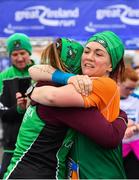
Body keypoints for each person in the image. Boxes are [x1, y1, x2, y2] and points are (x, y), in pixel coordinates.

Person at [4, 36, 127, 179]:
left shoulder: (48, 85)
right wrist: (122, 116)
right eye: (86, 52)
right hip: (38, 173)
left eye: (98, 54)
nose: (88, 58)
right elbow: (110, 137)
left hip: (24, 170)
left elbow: (36, 71)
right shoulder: (65, 99)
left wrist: (33, 90)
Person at [0, 33, 34, 177]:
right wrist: (19, 109)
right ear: (9, 56)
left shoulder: (40, 73)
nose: (19, 58)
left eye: (22, 53)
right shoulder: (3, 76)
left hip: (36, 142)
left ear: (29, 53)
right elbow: (2, 113)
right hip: (11, 145)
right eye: (14, 54)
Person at [119, 65, 139, 178]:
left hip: (135, 148)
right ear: (118, 82)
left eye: (133, 88)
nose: (131, 92)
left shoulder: (137, 99)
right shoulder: (109, 100)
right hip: (117, 149)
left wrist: (134, 127)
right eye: (128, 88)